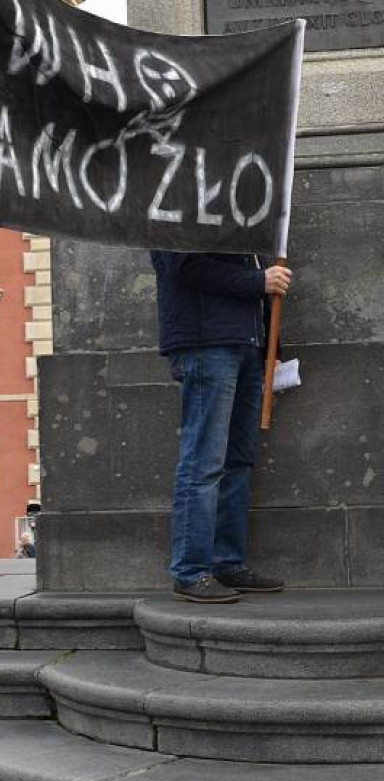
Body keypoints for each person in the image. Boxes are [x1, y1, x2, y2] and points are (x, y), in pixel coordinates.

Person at [150, 252, 292, 605]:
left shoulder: (231, 211)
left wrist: (270, 347)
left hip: (244, 343)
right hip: (206, 343)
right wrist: (258, 282)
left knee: (237, 461)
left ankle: (226, 563)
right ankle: (191, 571)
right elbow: (184, 266)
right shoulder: (175, 204)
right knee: (204, 461)